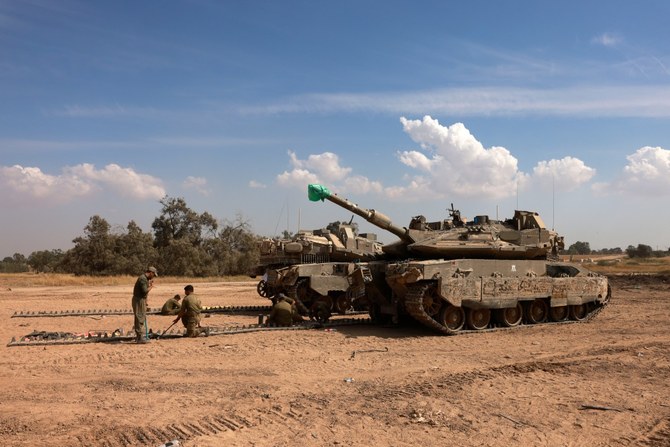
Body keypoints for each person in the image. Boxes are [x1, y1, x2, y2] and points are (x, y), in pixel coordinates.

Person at [132, 266, 158, 343]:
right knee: (140, 317)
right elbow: (144, 291)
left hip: (141, 300)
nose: (153, 277)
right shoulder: (143, 279)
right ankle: (140, 337)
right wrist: (151, 286)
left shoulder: (145, 279)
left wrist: (146, 302)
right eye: (153, 275)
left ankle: (139, 336)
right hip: (139, 300)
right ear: (151, 273)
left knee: (141, 317)